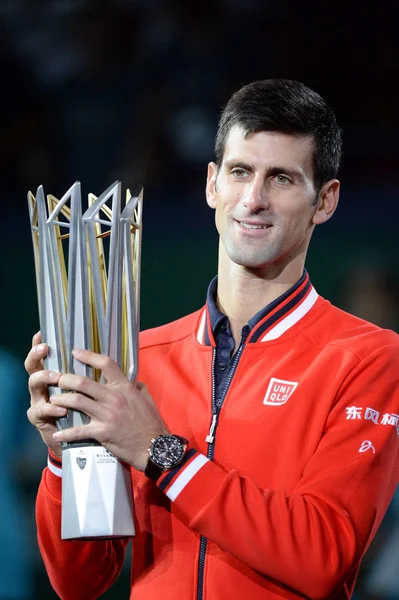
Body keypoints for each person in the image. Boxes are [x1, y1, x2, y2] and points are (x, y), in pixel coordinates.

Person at [25, 79, 399, 600]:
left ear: (326, 201)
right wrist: (66, 455)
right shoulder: (140, 359)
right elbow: (79, 582)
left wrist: (160, 452)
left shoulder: (368, 358)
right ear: (211, 185)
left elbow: (322, 556)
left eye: (283, 179)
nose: (254, 199)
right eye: (240, 172)